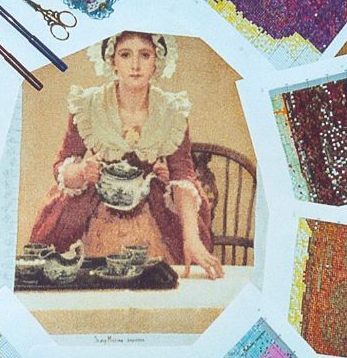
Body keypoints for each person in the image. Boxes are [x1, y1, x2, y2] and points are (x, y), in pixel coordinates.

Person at [28, 32, 224, 279]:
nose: (135, 65)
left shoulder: (171, 110)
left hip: (152, 209)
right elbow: (61, 164)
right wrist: (82, 171)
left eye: (145, 55)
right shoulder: (88, 104)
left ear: (157, 61)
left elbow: (183, 176)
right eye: (125, 55)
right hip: (94, 208)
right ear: (112, 61)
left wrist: (191, 239)